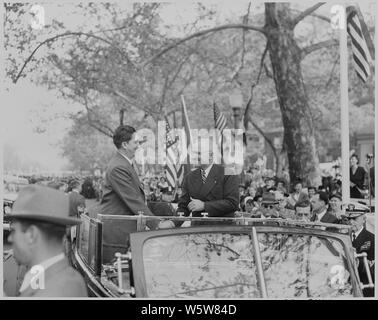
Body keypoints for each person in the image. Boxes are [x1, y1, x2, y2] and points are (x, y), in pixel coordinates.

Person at [7, 185, 87, 297]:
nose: (9, 238)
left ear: (31, 234)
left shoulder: (49, 293)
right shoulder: (69, 278)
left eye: (14, 230)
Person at [100, 125, 158, 229]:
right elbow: (133, 199)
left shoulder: (124, 163)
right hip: (119, 229)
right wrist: (157, 224)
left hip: (124, 226)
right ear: (125, 144)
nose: (138, 146)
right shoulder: (118, 167)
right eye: (135, 142)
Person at [176, 150, 239, 226]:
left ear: (211, 156)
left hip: (222, 229)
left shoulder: (228, 173)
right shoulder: (189, 177)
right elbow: (184, 207)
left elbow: (232, 203)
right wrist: (172, 223)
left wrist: (204, 206)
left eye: (199, 153)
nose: (197, 157)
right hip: (197, 230)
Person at [342, 208, 374, 297]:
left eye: (355, 219)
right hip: (343, 285)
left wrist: (357, 261)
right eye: (348, 219)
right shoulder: (342, 237)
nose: (350, 222)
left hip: (363, 287)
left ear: (364, 220)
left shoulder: (372, 239)